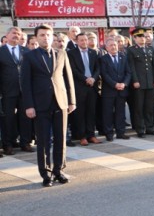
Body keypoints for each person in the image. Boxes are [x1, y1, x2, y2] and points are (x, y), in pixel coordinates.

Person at [21, 24, 76, 187]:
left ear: (53, 37)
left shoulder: (61, 53)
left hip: (60, 102)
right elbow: (25, 83)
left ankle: (59, 170)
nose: (46, 37)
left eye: (48, 35)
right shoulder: (29, 57)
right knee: (44, 140)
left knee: (61, 139)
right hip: (40, 104)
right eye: (42, 35)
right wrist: (29, 105)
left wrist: (72, 100)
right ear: (37, 38)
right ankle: (46, 174)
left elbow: (68, 78)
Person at [0, 27, 33, 155]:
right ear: (6, 35)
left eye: (18, 34)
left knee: (26, 117)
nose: (16, 35)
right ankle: (8, 144)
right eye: (13, 33)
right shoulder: (1, 51)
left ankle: (25, 143)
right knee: (8, 119)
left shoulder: (27, 51)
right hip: (7, 91)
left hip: (25, 91)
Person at [67, 33, 101, 146]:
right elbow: (73, 70)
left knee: (91, 112)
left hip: (92, 86)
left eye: (86, 40)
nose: (84, 42)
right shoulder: (71, 53)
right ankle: (82, 136)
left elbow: (97, 68)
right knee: (80, 113)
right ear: (77, 41)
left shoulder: (93, 52)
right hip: (79, 87)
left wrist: (93, 78)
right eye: (81, 40)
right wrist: (85, 79)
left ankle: (91, 135)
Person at [127, 27, 154, 138]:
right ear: (135, 38)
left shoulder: (150, 49)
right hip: (139, 84)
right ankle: (140, 129)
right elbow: (131, 67)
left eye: (144, 37)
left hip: (150, 82)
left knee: (150, 106)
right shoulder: (131, 50)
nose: (143, 39)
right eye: (140, 37)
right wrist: (135, 80)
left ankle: (150, 127)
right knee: (139, 107)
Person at [100, 38, 131, 141]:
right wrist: (115, 84)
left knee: (120, 112)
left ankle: (120, 132)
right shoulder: (103, 59)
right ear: (106, 47)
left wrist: (124, 84)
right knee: (108, 113)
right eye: (111, 45)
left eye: (115, 45)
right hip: (109, 91)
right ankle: (109, 133)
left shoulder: (123, 57)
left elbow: (128, 73)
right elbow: (104, 74)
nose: (113, 47)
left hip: (122, 90)